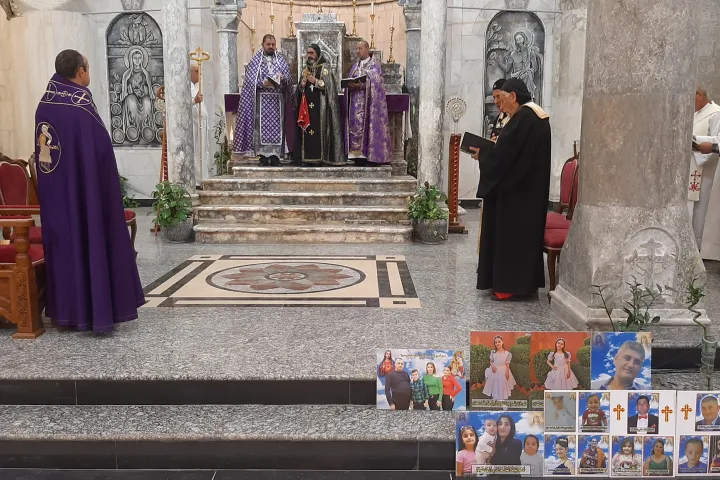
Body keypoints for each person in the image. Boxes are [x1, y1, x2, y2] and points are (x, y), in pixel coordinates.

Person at [34, 50, 145, 334]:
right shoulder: (81, 104)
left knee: (64, 245)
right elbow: (101, 153)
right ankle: (98, 312)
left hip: (56, 196)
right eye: (88, 68)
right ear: (80, 71)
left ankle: (67, 313)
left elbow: (46, 156)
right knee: (91, 239)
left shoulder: (44, 104)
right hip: (87, 195)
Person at [472, 78, 551, 300]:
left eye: (503, 98)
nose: (500, 104)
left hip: (517, 195)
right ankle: (525, 284)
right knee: (525, 239)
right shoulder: (536, 116)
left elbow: (502, 158)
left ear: (513, 96)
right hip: (530, 191)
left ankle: (509, 286)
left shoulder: (523, 117)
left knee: (511, 237)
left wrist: (483, 154)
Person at [233, 34, 294, 167]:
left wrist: (283, 78)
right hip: (262, 101)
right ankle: (263, 156)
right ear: (263, 45)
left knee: (277, 129)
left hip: (277, 101)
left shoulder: (280, 60)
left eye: (273, 44)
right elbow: (249, 81)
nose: (271, 47)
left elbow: (289, 79)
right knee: (261, 129)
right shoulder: (256, 60)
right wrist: (262, 83)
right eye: (268, 44)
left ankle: (275, 156)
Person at [295, 43, 345, 166]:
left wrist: (316, 82)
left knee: (319, 132)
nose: (309, 55)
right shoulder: (305, 69)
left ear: (317, 54)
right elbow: (300, 90)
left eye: (312, 53)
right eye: (308, 53)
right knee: (307, 131)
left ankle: (320, 159)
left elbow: (330, 88)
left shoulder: (325, 68)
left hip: (320, 107)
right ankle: (307, 159)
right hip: (306, 108)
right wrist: (302, 85)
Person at [343, 41, 391, 166]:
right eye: (357, 48)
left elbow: (378, 84)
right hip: (355, 105)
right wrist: (350, 86)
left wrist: (362, 85)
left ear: (367, 49)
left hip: (369, 105)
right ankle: (357, 156)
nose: (357, 51)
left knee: (369, 128)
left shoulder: (375, 66)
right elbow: (349, 82)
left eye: (360, 48)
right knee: (355, 129)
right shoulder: (355, 67)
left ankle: (371, 157)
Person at [689, 86, 720, 258]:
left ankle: (701, 247)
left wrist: (696, 142)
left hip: (706, 173)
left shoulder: (716, 113)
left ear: (699, 94)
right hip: (693, 169)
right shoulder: (695, 115)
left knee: (702, 210)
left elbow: (717, 142)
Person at [190, 64, 210, 186]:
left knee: (203, 152)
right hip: (194, 124)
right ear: (190, 73)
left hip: (201, 123)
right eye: (197, 71)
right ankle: (198, 180)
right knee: (197, 152)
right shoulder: (186, 86)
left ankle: (204, 178)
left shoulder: (196, 86)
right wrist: (194, 101)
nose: (200, 74)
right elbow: (181, 104)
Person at [482, 336, 517, 400]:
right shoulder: (493, 352)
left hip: (503, 370)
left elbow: (507, 364)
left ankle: (503, 397)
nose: (497, 343)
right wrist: (492, 366)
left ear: (502, 342)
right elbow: (491, 361)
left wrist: (507, 372)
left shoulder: (507, 353)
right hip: (494, 370)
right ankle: (495, 396)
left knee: (502, 383)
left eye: (499, 342)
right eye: (496, 342)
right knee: (495, 383)